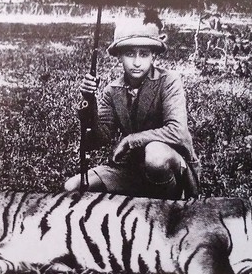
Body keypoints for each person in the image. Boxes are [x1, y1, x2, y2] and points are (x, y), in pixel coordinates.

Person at [64, 15, 199, 199]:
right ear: (119, 56)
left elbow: (177, 131)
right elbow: (100, 138)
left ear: (154, 56)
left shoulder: (168, 81)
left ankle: (175, 201)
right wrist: (90, 104)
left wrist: (130, 140)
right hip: (132, 170)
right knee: (72, 187)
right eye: (130, 54)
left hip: (170, 169)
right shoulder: (112, 91)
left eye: (144, 54)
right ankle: (139, 203)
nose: (136, 62)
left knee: (155, 155)